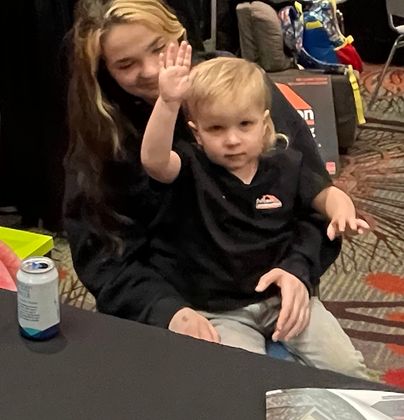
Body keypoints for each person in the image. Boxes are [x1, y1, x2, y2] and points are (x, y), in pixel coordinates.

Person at [63, 0, 361, 342]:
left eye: (159, 48)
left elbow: (311, 197)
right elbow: (104, 256)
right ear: (104, 72)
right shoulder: (103, 136)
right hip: (183, 304)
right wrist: (166, 310)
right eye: (126, 65)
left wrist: (298, 269)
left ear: (179, 33)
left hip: (271, 286)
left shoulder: (239, 89)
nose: (153, 71)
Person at [139, 50, 369, 374]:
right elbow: (154, 160)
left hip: (284, 298)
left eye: (244, 124)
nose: (232, 140)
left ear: (263, 122)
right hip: (221, 309)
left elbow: (328, 195)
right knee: (243, 380)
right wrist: (167, 102)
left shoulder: (286, 164)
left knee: (347, 368)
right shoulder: (191, 166)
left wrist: (342, 211)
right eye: (216, 128)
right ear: (196, 133)